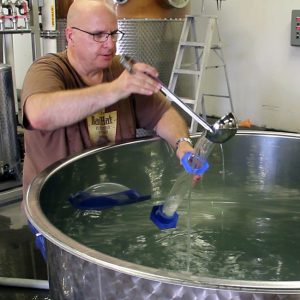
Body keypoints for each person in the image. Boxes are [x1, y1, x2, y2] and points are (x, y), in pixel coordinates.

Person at [21, 0, 197, 198]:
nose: (110, 44)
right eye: (98, 35)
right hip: (58, 200)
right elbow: (39, 115)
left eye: (113, 34)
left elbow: (162, 113)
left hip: (116, 194)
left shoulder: (120, 70)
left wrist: (182, 144)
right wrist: (115, 90)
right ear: (70, 36)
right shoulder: (48, 69)